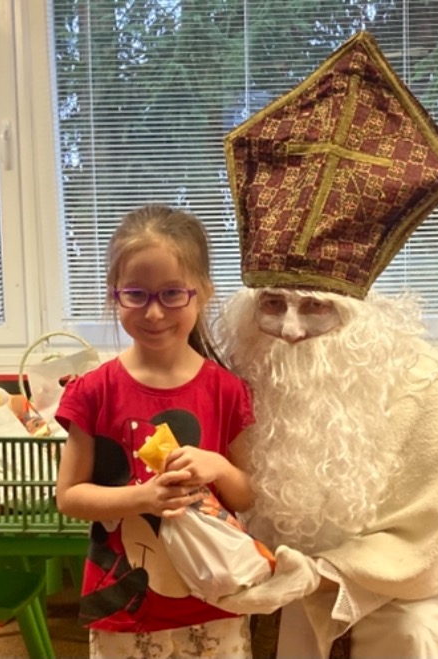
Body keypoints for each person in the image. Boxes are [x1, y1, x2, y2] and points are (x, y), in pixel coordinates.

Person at [212, 32, 438, 658]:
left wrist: (329, 572)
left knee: (405, 637)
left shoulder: (431, 393)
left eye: (315, 307)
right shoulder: (242, 368)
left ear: (355, 316)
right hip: (285, 565)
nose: (290, 329)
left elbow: (437, 535)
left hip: (416, 575)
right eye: (272, 304)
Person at [55, 204, 256, 658]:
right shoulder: (93, 391)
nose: (153, 312)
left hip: (213, 595)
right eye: (136, 294)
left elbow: (246, 495)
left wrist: (218, 466)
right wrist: (143, 498)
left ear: (203, 293)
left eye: (171, 294)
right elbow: (69, 497)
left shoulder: (227, 391)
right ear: (115, 295)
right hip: (125, 601)